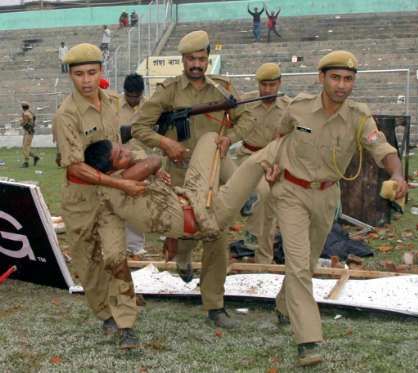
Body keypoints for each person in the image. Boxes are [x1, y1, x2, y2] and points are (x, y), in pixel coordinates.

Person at [269, 50, 408, 366]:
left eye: (348, 79)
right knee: (299, 260)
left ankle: (283, 305)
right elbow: (278, 135)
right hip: (291, 192)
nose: (342, 85)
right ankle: (308, 341)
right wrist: (272, 163)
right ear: (321, 78)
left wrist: (397, 173)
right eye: (335, 78)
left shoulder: (359, 117)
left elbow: (381, 148)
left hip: (327, 197)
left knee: (308, 263)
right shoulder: (299, 107)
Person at [131, 30, 255, 328]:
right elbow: (139, 127)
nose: (196, 64)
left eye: (201, 59)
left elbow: (247, 118)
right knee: (185, 233)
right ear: (183, 60)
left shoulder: (221, 90)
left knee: (217, 235)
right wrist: (167, 145)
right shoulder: (169, 91)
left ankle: (214, 304)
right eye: (191, 59)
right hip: (180, 175)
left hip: (212, 177)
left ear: (208, 59)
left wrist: (230, 140)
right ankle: (183, 261)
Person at [53, 43, 147, 350]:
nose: (86, 80)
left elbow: (118, 147)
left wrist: (143, 164)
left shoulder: (112, 101)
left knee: (115, 256)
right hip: (80, 198)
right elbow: (76, 168)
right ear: (70, 76)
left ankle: (125, 322)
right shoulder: (66, 115)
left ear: (101, 71)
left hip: (110, 194)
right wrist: (121, 185)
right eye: (79, 74)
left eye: (92, 72)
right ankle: (104, 313)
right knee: (88, 264)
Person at [84, 132, 280, 244]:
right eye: (121, 156)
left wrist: (147, 169)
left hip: (193, 197)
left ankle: (244, 198)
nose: (127, 153)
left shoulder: (121, 175)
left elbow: (146, 160)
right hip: (208, 214)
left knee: (211, 138)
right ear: (110, 173)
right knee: (257, 160)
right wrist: (150, 168)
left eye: (122, 148)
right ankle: (295, 138)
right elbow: (152, 161)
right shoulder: (116, 187)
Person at [233, 63, 290, 264]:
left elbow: (305, 130)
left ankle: (264, 259)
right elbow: (227, 122)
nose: (267, 90)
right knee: (263, 194)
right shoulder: (246, 103)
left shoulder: (288, 107)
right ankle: (251, 234)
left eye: (272, 85)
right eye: (263, 85)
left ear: (279, 83)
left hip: (273, 161)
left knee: (268, 209)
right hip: (247, 157)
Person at [119, 73, 148, 257]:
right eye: (129, 96)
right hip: (119, 161)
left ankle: (135, 245)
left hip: (143, 161)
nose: (133, 100)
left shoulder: (150, 107)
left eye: (136, 96)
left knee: (137, 201)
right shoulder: (114, 107)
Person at [19, 101, 39, 168]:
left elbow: (24, 123)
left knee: (25, 147)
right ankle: (35, 157)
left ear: (22, 108)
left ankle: (26, 162)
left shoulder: (25, 114)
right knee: (25, 147)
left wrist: (21, 122)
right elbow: (33, 120)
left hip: (28, 131)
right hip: (30, 131)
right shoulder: (30, 113)